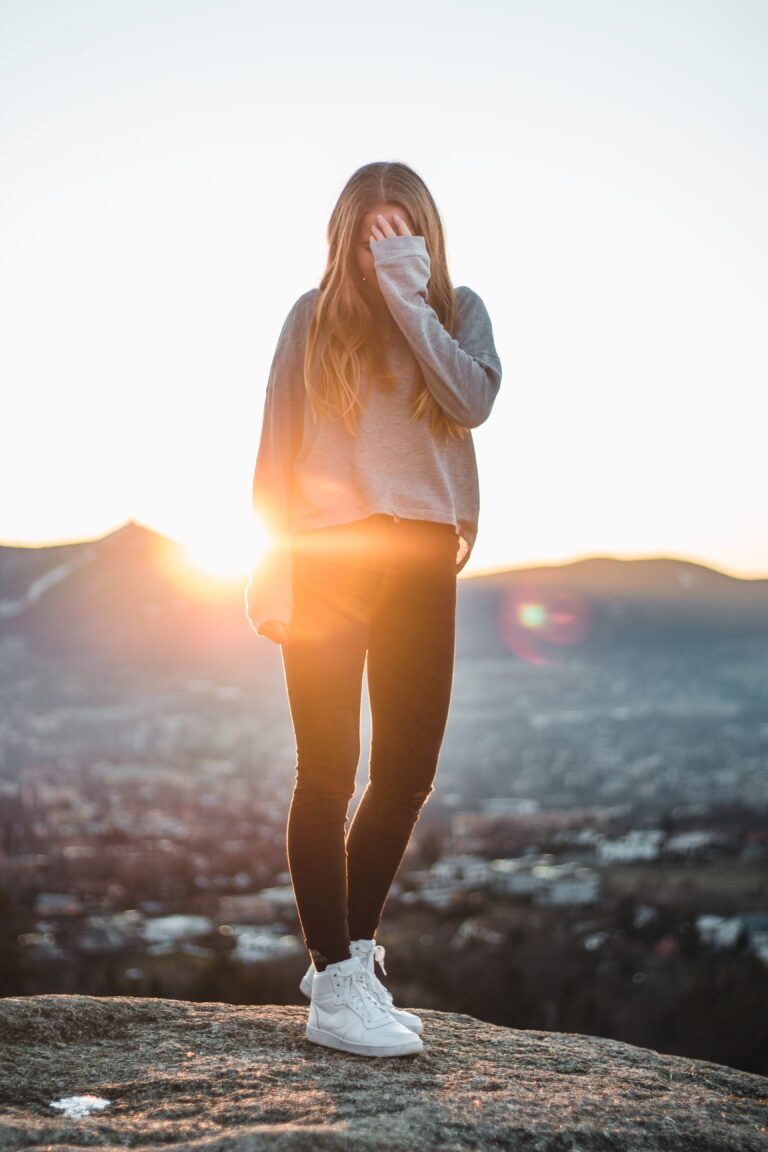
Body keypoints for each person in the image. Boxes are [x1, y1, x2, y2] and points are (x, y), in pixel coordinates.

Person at [244, 160, 502, 1057]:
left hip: (424, 554)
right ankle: (337, 980)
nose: (380, 249)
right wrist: (269, 567)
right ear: (342, 237)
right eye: (367, 233)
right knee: (326, 772)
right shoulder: (310, 320)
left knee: (405, 773)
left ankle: (344, 966)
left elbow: (471, 400)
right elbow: (275, 450)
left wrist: (408, 299)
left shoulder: (458, 309)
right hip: (326, 557)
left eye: (400, 232)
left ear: (425, 234)